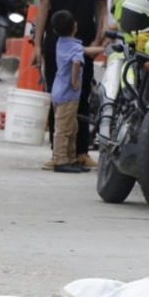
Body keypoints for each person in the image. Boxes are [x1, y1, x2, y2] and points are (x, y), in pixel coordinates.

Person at [33, 0, 110, 168]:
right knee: (58, 94)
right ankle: (58, 151)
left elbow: (102, 6)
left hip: (84, 41)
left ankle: (81, 151)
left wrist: (100, 35)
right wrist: (37, 44)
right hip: (56, 43)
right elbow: (43, 8)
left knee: (84, 92)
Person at [49, 11, 88, 174]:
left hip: (58, 92)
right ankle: (60, 159)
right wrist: (74, 81)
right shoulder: (76, 47)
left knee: (72, 127)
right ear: (75, 26)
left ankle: (70, 158)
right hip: (68, 94)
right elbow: (77, 61)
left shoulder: (61, 43)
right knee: (64, 129)